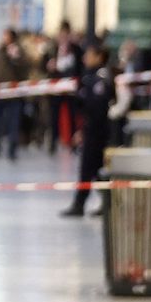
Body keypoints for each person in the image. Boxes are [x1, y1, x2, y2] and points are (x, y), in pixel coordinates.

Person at [63, 44, 122, 218]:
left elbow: (96, 107)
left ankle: (82, 203)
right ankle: (104, 202)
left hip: (98, 131)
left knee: (89, 168)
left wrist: (84, 130)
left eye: (89, 54)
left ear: (99, 56)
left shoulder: (100, 77)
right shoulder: (90, 76)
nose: (85, 58)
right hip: (92, 128)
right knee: (95, 169)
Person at [0, 29, 30, 160]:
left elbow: (24, 72)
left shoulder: (19, 53)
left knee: (13, 124)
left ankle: (12, 150)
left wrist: (15, 59)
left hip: (14, 95)